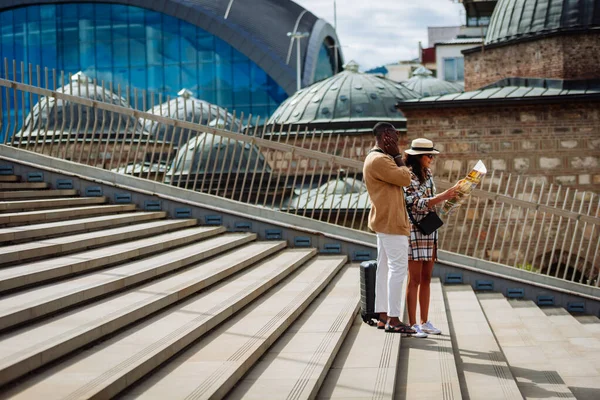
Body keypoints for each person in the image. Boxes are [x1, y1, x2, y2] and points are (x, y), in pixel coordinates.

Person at [363, 122, 415, 334]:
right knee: (398, 269)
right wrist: (397, 156)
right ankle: (393, 318)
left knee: (384, 269)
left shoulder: (374, 158)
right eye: (395, 134)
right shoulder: (381, 159)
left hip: (385, 221)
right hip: (391, 223)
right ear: (386, 136)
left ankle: (383, 315)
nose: (398, 138)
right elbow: (405, 179)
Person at [403, 138, 457, 338]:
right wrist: (443, 196)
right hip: (414, 231)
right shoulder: (407, 175)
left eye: (433, 155)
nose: (432, 159)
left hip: (429, 229)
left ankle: (425, 322)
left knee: (426, 278)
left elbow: (431, 203)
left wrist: (453, 198)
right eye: (429, 155)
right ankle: (413, 323)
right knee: (414, 279)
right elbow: (416, 203)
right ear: (418, 156)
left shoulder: (428, 174)